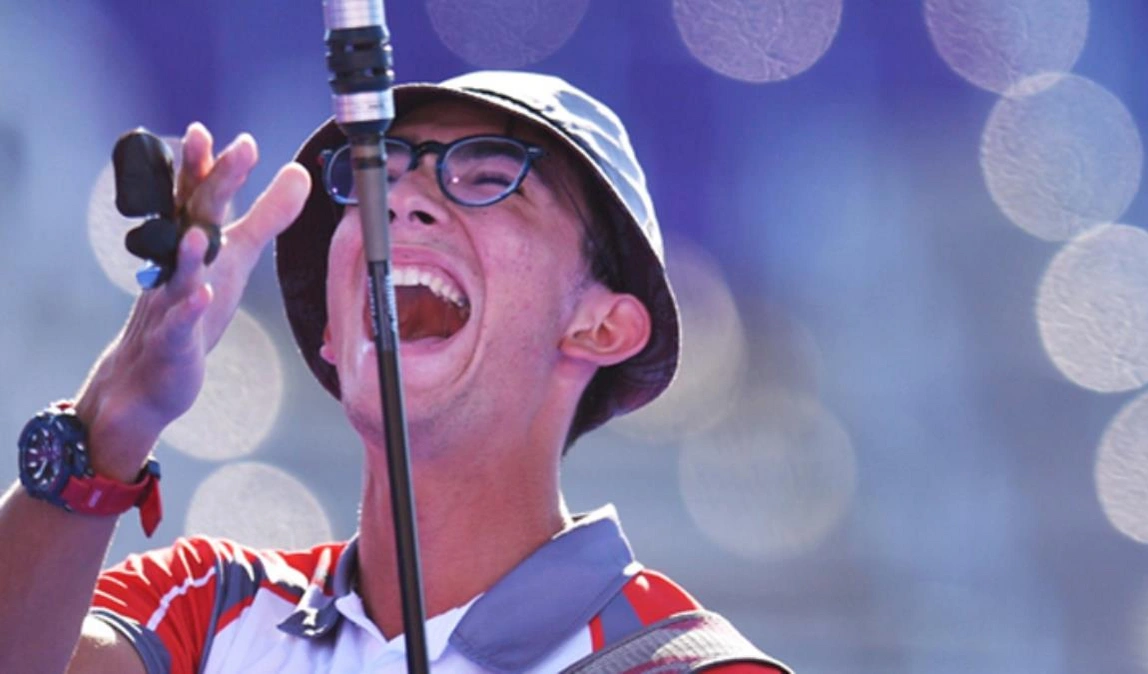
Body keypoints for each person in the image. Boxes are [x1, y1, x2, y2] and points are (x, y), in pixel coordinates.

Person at [0, 71, 790, 673]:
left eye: (490, 179)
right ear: (334, 331)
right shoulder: (207, 604)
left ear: (602, 326)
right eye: (378, 176)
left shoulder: (685, 666)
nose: (399, 201)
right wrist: (113, 420)